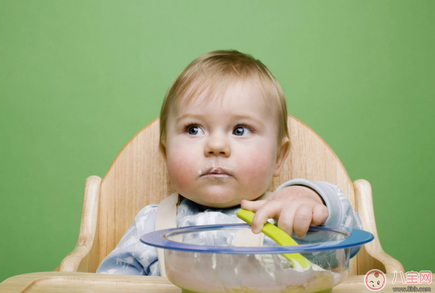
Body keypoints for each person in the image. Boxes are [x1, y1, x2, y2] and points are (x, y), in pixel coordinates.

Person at [96, 50, 362, 275]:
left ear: (279, 157)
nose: (216, 146)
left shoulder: (286, 222)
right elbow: (109, 284)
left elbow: (347, 242)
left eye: (240, 130)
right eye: (193, 129)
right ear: (166, 154)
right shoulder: (150, 226)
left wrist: (310, 198)